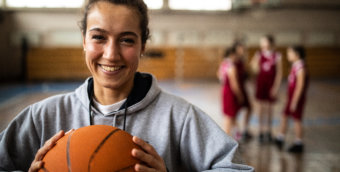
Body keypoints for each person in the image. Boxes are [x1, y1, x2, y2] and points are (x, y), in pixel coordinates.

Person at [0, 0, 253, 171]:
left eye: (127, 40)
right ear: (84, 41)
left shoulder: (180, 118)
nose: (111, 54)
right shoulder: (44, 116)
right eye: (99, 37)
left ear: (143, 45)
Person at [274, 45, 309, 153]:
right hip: (291, 99)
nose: (288, 55)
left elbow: (300, 86)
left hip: (296, 99)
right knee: (284, 116)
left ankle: (299, 142)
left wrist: (294, 101)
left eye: (290, 53)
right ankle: (280, 137)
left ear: (297, 55)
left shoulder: (301, 68)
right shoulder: (295, 66)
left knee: (297, 119)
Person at [250, 35, 282, 143]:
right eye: (262, 42)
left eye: (265, 42)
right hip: (261, 83)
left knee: (269, 109)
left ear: (270, 43)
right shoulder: (259, 54)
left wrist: (276, 87)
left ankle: (268, 131)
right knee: (260, 108)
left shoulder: (277, 55)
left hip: (271, 84)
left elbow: (279, 73)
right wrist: (254, 66)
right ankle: (260, 131)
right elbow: (253, 67)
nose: (263, 45)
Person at [217, 46, 251, 141]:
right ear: (232, 55)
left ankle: (236, 134)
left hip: (224, 90)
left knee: (229, 116)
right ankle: (227, 138)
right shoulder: (231, 66)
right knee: (230, 116)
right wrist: (240, 95)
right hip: (231, 93)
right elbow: (234, 84)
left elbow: (219, 75)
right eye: (236, 55)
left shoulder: (223, 64)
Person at [233, 42, 253, 141]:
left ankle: (244, 129)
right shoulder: (233, 61)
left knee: (249, 108)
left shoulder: (242, 61)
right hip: (236, 89)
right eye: (241, 48)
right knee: (234, 112)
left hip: (242, 88)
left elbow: (245, 75)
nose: (242, 51)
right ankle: (237, 131)